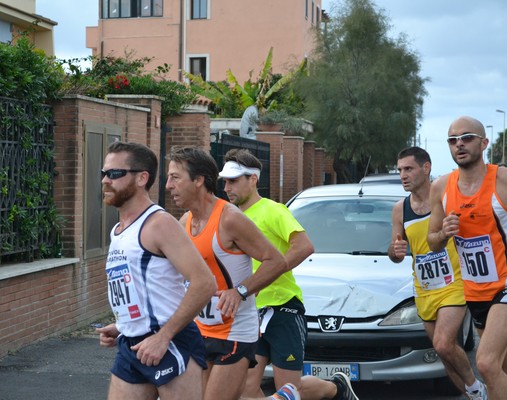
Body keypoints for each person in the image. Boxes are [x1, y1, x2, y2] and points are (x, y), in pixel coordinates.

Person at [219, 149, 359, 400]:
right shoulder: (229, 217)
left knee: (290, 390)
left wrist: (269, 273)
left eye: (234, 181)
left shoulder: (273, 211)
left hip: (283, 308)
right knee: (246, 386)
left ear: (253, 179)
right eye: (225, 181)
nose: (227, 187)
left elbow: (304, 246)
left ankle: (336, 388)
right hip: (250, 312)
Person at [165, 146, 297, 400]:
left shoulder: (229, 219)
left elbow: (275, 261)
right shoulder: (185, 221)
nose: (168, 185)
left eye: (175, 177)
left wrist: (240, 291)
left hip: (234, 331)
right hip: (200, 329)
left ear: (199, 180)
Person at [95, 141, 217, 400]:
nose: (106, 180)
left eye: (115, 174)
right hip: (132, 343)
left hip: (170, 342)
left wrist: (163, 337)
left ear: (142, 178)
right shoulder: (118, 229)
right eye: (103, 173)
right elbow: (145, 288)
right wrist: (123, 325)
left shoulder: (159, 223)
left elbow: (204, 283)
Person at [427, 116, 507, 400]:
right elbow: (433, 243)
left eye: (466, 137)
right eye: (453, 140)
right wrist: (443, 233)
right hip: (476, 291)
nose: (459, 144)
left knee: (486, 362)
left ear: (484, 142)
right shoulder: (441, 187)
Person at [389, 146, 486, 399]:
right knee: (443, 353)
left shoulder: (446, 198)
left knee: (444, 343)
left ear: (426, 168)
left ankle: (477, 388)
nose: (403, 175)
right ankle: (473, 394)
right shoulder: (400, 209)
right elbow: (395, 253)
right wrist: (395, 251)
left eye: (408, 169)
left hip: (454, 282)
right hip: (424, 288)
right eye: (400, 170)